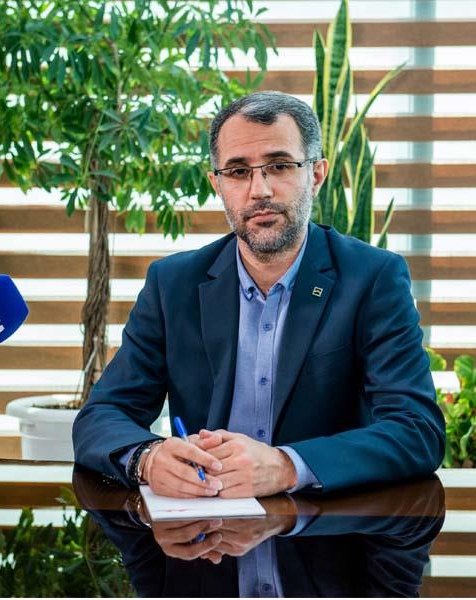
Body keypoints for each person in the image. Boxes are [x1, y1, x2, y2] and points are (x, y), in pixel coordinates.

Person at [73, 91, 445, 498]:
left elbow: (417, 430)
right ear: (217, 184)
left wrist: (286, 466)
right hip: (205, 524)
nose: (259, 190)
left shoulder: (372, 278)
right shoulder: (172, 284)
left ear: (316, 174)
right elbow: (102, 415)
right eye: (237, 172)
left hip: (327, 525)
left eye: (279, 166)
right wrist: (148, 458)